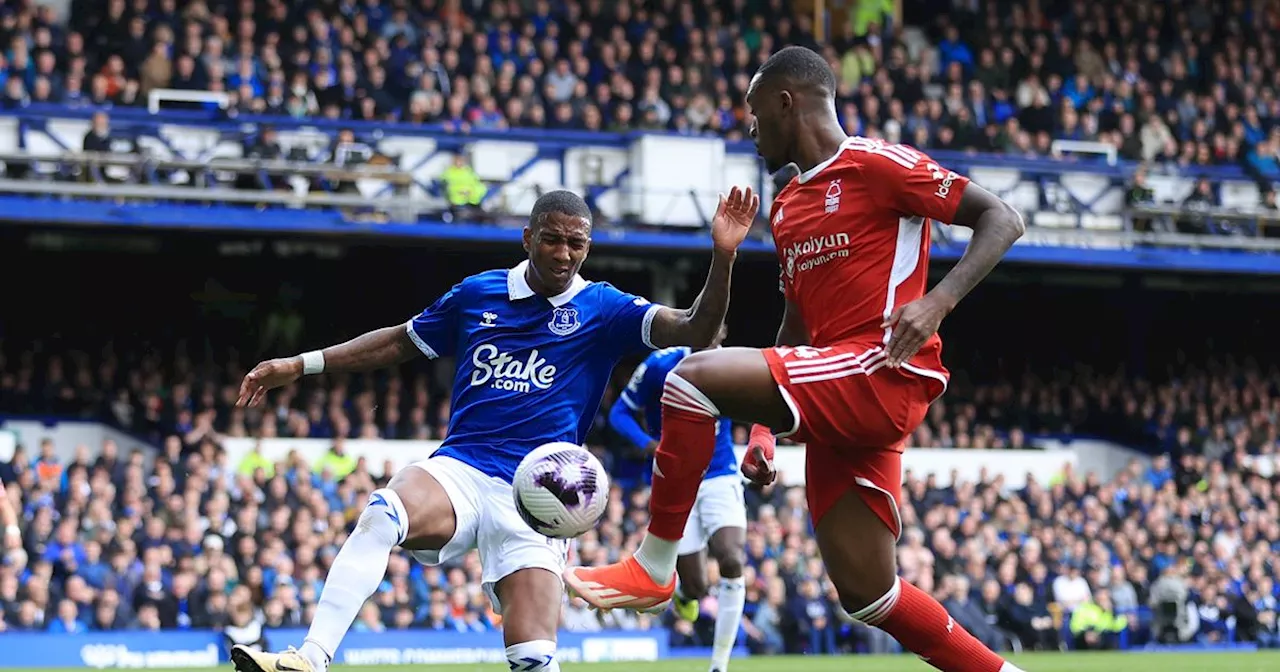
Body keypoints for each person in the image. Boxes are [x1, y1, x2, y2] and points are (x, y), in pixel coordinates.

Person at [564, 46, 1027, 672]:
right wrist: (763, 430)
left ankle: (654, 567)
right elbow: (796, 327)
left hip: (883, 368)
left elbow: (1002, 217)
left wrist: (937, 303)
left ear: (787, 103)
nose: (750, 131)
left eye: (755, 116)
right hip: (839, 386)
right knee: (869, 594)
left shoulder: (877, 164)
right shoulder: (785, 208)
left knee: (689, 379)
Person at [228, 187, 757, 672]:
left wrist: (724, 255)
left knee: (533, 658)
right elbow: (398, 341)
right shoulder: (478, 293)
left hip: (540, 497)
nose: (564, 254)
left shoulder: (604, 307)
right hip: (462, 469)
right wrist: (301, 364)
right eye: (552, 239)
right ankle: (312, 658)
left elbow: (697, 330)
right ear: (527, 238)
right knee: (381, 514)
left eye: (577, 244)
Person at [607, 326, 745, 672]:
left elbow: (767, 406)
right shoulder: (660, 365)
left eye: (719, 335)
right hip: (675, 481)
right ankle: (685, 595)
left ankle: (719, 665)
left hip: (719, 474)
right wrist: (649, 445)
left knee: (732, 560)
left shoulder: (732, 366)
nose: (715, 342)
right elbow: (619, 414)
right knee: (696, 586)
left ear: (723, 334)